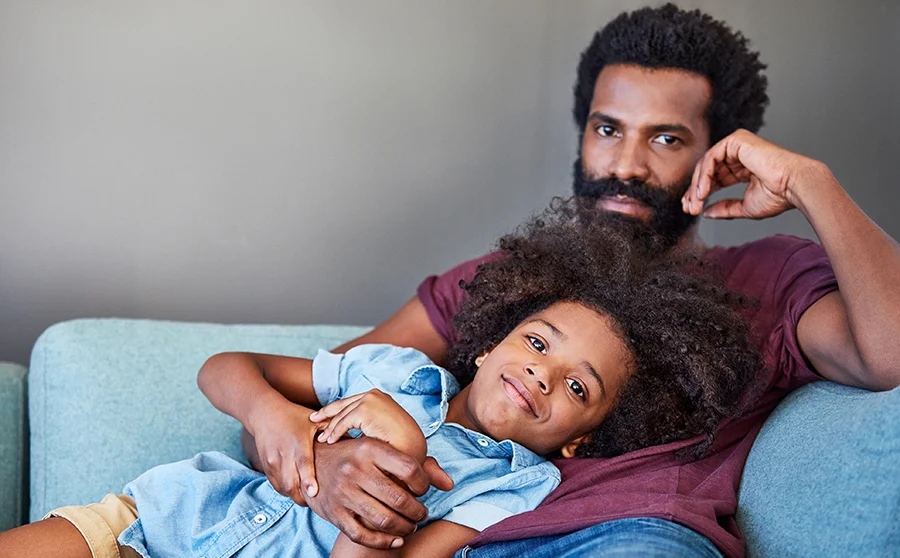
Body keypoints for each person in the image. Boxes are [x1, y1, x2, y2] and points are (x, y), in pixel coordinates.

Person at [234, 5, 900, 558]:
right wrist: (321, 472)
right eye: (607, 129)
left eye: (667, 139)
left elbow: (891, 355)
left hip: (625, 536)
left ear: (718, 154)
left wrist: (811, 184)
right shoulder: (512, 282)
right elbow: (296, 407)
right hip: (451, 540)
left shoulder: (766, 277)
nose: (627, 165)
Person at [0, 213, 764, 558]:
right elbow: (225, 370)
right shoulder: (397, 370)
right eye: (537, 342)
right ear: (492, 338)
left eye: (578, 387)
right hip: (160, 521)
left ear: (581, 437)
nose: (542, 371)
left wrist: (398, 447)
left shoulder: (514, 493)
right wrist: (275, 418)